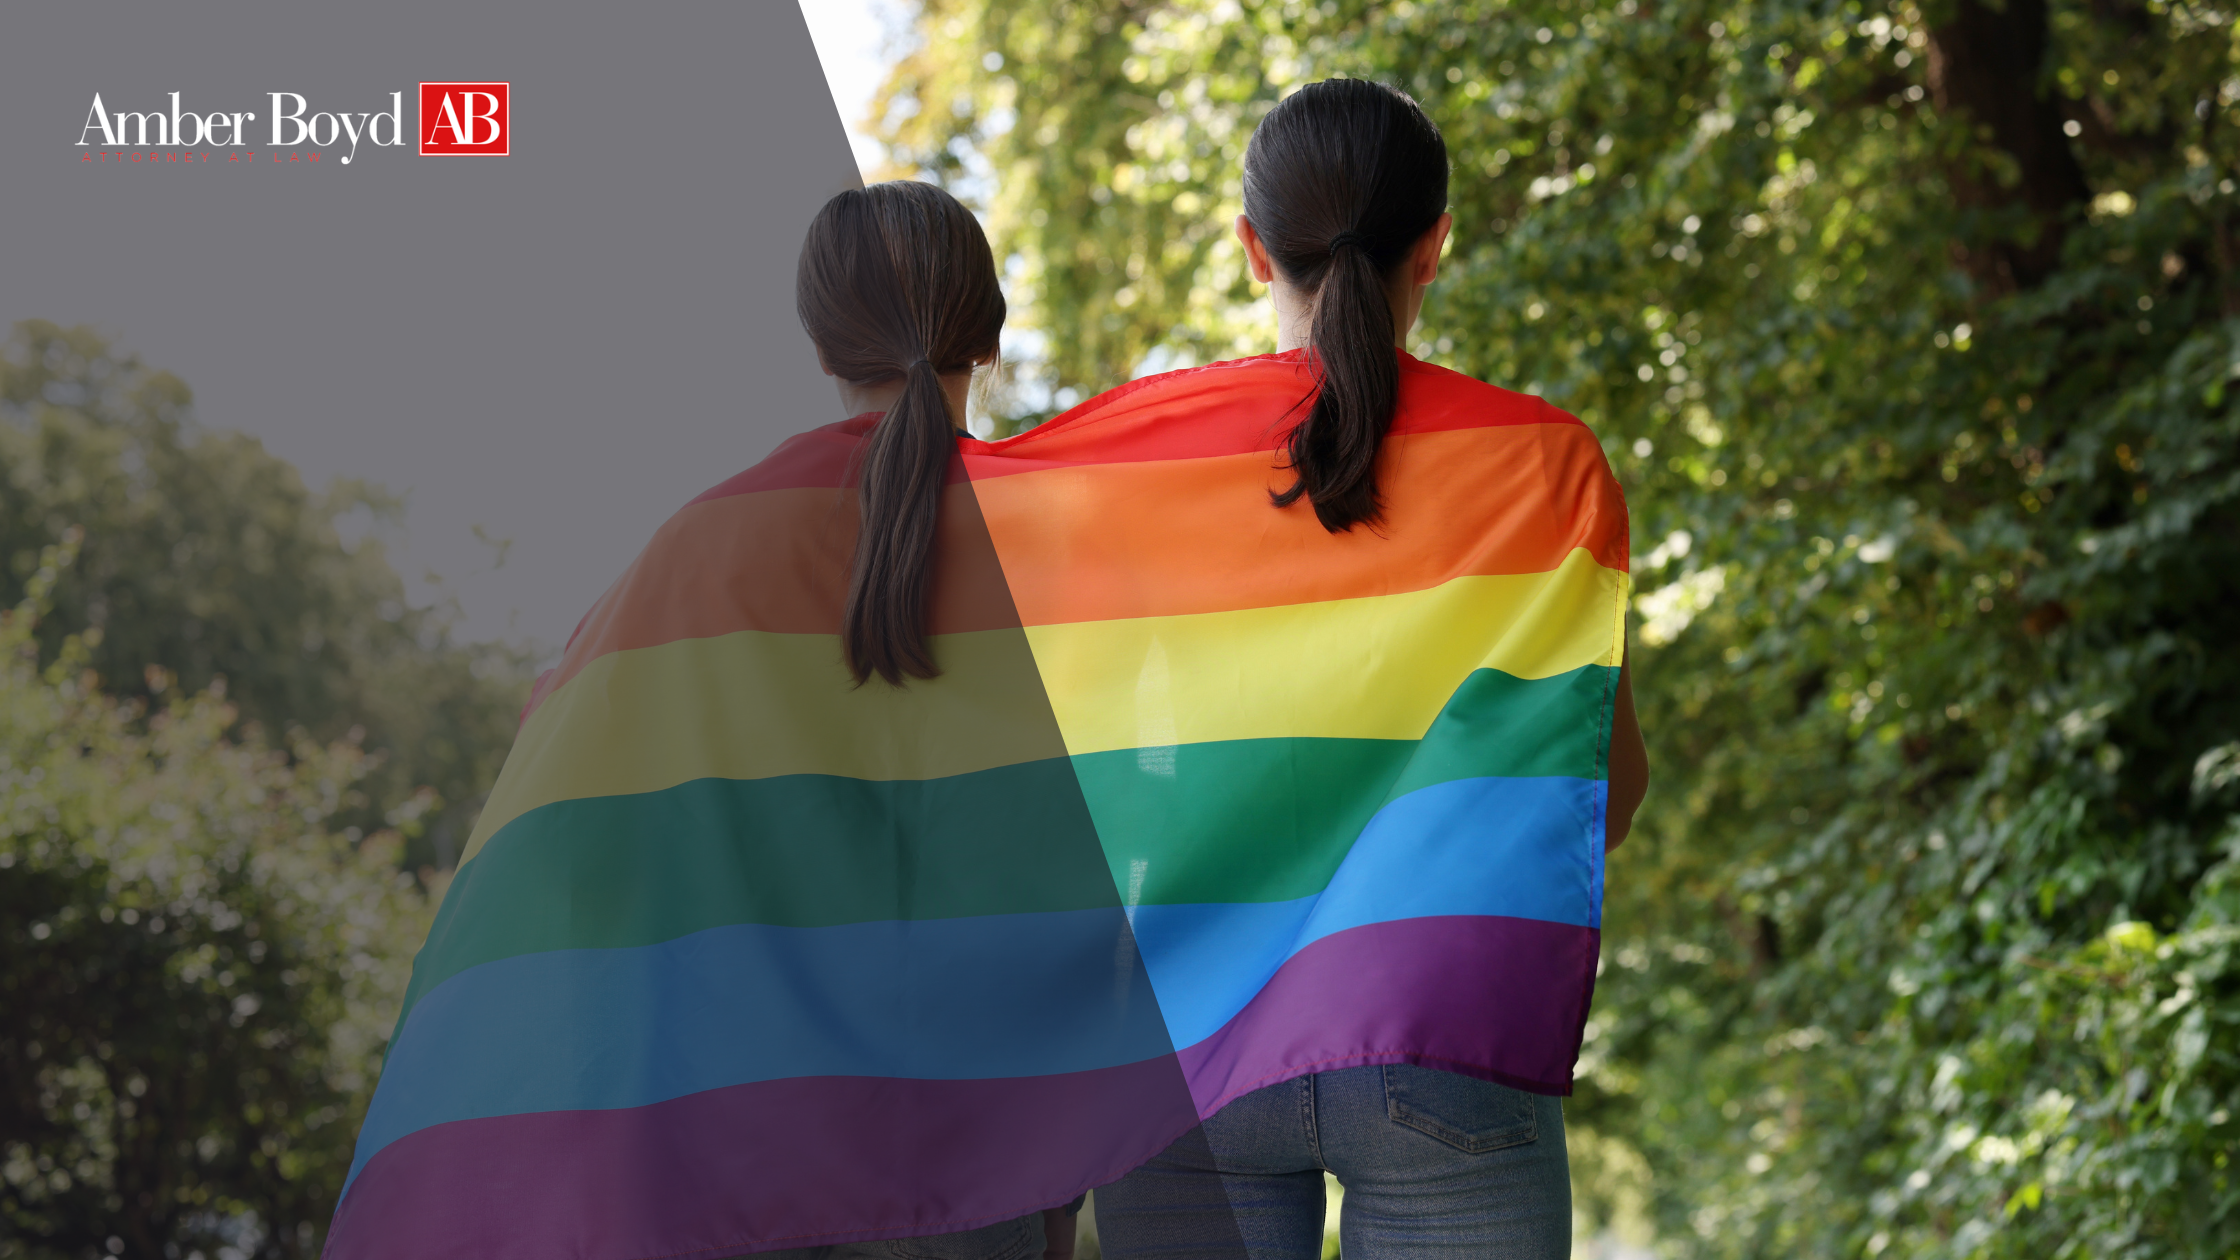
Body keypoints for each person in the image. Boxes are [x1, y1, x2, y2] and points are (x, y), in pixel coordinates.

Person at [1048, 79, 1651, 1257]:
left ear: (1248, 249)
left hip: (1180, 1037)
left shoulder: (1128, 478)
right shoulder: (1544, 467)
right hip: (1447, 1032)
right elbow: (1604, 799)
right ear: (1434, 245)